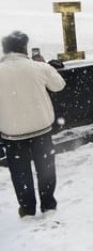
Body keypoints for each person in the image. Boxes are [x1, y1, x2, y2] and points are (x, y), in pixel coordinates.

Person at [0, 31, 66, 217]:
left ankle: (27, 209)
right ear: (24, 48)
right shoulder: (39, 67)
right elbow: (59, 85)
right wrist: (48, 67)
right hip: (41, 129)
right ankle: (48, 204)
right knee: (45, 169)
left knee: (20, 173)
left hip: (12, 133)